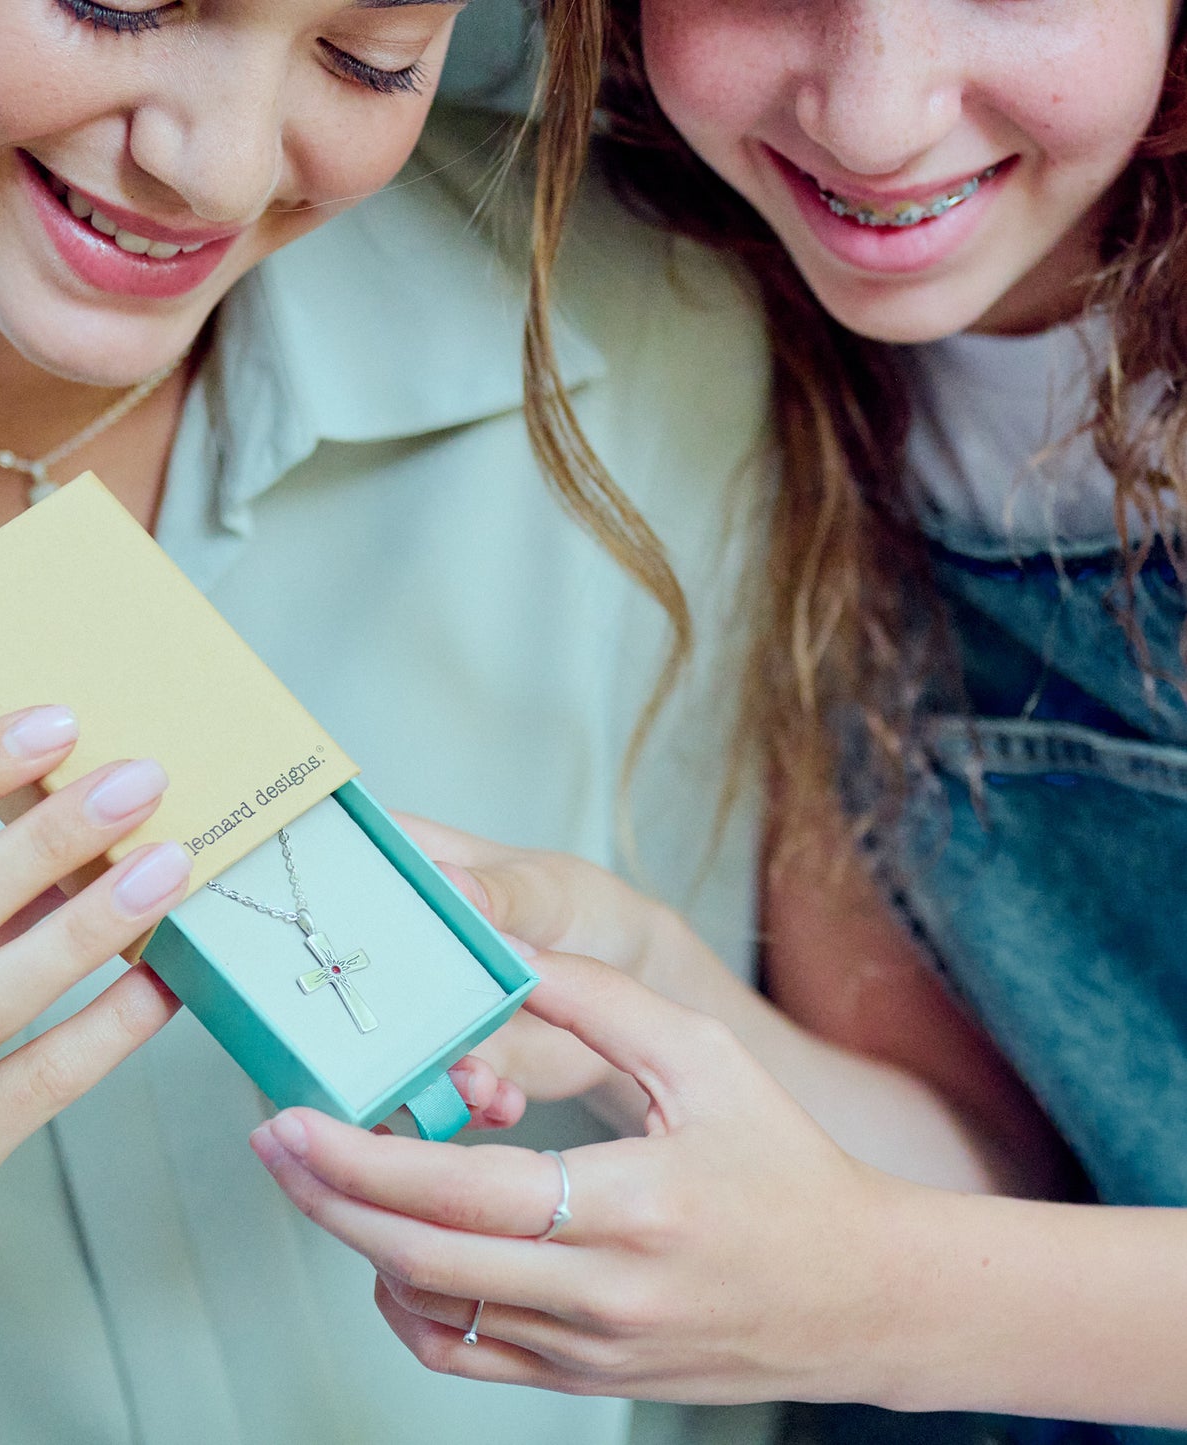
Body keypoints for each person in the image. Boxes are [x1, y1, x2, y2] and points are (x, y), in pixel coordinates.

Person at [0, 0, 775, 1442]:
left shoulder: (641, 326)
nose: (217, 172)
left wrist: (638, 1014)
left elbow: (832, 1230)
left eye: (368, 57)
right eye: (119, 1)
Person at [250, 1, 1187, 1441]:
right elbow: (991, 1171)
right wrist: (637, 984)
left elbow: (919, 1258)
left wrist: (875, 1297)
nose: (871, 122)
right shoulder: (739, 323)